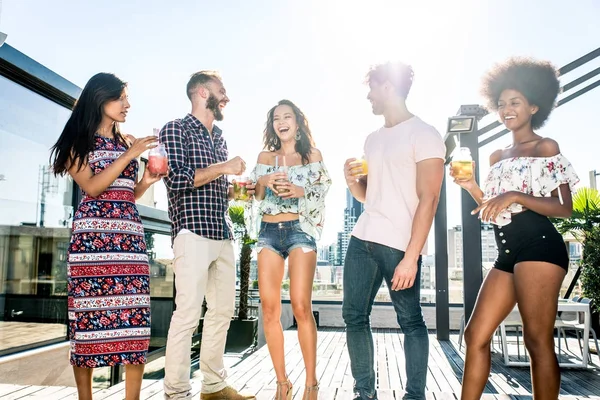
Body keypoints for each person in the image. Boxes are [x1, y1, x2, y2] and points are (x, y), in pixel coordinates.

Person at [452, 57, 579, 400]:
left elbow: (564, 208)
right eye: (502, 103)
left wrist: (513, 194)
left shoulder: (545, 147)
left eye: (516, 102)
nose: (507, 109)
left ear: (534, 106)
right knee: (475, 335)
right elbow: (493, 210)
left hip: (540, 246)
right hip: (509, 251)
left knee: (536, 339)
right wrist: (472, 187)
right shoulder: (496, 156)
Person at [50, 72, 164, 400]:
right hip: (91, 243)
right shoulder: (77, 144)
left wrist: (146, 179)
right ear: (100, 99)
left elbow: (127, 193)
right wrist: (130, 155)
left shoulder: (126, 141)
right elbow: (94, 187)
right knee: (87, 325)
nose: (127, 105)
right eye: (121, 98)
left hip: (128, 240)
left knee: (135, 324)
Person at [342, 62, 446, 400]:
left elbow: (429, 199)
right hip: (363, 238)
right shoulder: (372, 139)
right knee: (354, 317)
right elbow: (368, 195)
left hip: (400, 245)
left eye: (372, 88)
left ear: (388, 86)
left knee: (411, 320)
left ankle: (414, 395)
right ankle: (364, 394)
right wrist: (351, 181)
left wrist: (412, 257)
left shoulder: (425, 134)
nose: (369, 96)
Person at [160, 70, 255, 400]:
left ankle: (213, 387)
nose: (226, 95)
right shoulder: (176, 128)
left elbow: (215, 184)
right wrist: (225, 167)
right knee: (187, 315)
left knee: (222, 312)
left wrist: (236, 192)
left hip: (221, 233)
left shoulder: (220, 136)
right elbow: (177, 180)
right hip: (192, 233)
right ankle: (176, 393)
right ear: (201, 92)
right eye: (221, 89)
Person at [250, 99, 331, 400]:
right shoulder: (265, 156)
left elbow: (322, 192)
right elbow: (257, 197)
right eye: (275, 118)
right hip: (268, 233)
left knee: (300, 306)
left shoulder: (312, 156)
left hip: (300, 230)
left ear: (298, 123)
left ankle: (312, 383)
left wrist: (300, 191)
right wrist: (263, 180)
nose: (281, 122)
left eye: (287, 116)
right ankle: (282, 382)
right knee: (270, 309)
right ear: (273, 126)